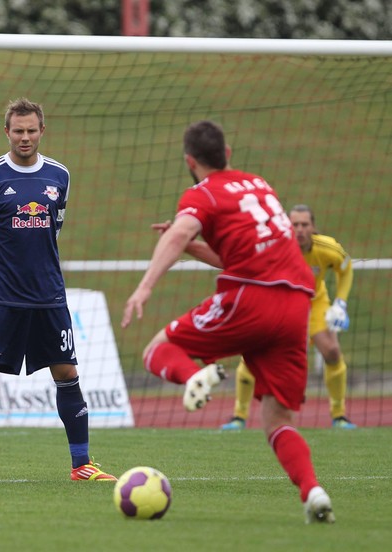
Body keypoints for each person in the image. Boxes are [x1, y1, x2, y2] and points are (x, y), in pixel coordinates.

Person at [121, 120, 335, 523]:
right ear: (229, 153)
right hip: (295, 306)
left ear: (189, 161)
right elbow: (233, 254)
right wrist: (189, 244)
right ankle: (313, 492)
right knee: (277, 418)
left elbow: (180, 232)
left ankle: (193, 378)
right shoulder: (260, 184)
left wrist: (145, 287)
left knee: (158, 350)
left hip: (251, 299)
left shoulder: (202, 193)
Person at [0, 98, 117, 483]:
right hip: (2, 296)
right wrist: (0, 273)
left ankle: (81, 464)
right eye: (18, 130)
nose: (25, 137)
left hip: (49, 295)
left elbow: (54, 228)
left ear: (42, 131)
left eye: (31, 130)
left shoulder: (59, 175)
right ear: (7, 131)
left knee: (67, 372)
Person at [221, 204, 356, 431]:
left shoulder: (328, 248)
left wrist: (340, 303)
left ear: (313, 227)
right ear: (287, 225)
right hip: (279, 303)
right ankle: (239, 416)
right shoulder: (273, 245)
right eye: (295, 225)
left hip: (314, 302)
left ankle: (339, 415)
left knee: (332, 351)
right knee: (251, 355)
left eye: (305, 224)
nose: (300, 229)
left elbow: (346, 267)